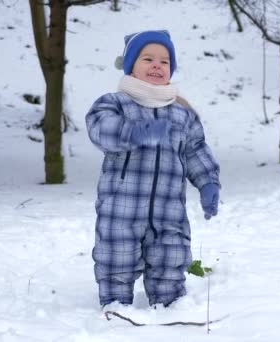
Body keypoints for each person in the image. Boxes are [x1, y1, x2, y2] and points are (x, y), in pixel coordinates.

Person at [85, 30, 221, 308]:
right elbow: (100, 130)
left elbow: (195, 149)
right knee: (116, 258)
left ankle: (170, 308)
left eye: (165, 61)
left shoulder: (182, 113)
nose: (157, 65)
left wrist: (208, 183)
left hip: (169, 210)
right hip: (121, 208)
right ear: (131, 66)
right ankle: (115, 308)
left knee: (170, 258)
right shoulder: (115, 104)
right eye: (148, 59)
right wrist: (133, 132)